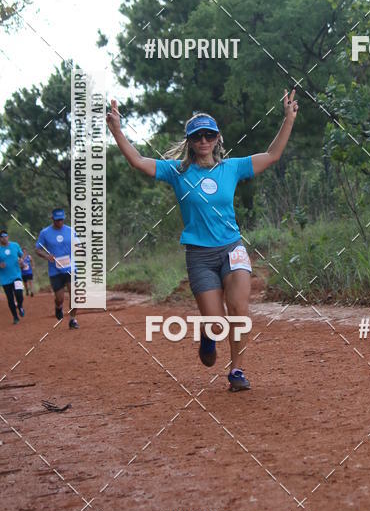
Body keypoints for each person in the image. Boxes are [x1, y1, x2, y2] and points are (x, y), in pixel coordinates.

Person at [106, 93, 299, 391]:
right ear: (190, 141)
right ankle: (209, 334)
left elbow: (272, 155)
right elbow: (138, 161)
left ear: (218, 138)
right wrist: (117, 130)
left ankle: (236, 370)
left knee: (240, 310)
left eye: (209, 135)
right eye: (198, 136)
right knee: (217, 323)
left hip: (232, 247)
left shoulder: (231, 167)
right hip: (200, 256)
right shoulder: (178, 172)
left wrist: (288, 119)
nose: (204, 140)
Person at [35, 208, 80, 329]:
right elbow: (37, 249)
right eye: (57, 220)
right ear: (52, 219)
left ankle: (72, 319)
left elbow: (78, 245)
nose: (59, 222)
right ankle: (58, 307)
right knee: (59, 298)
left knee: (74, 295)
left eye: (61, 220)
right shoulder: (45, 233)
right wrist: (46, 256)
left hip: (71, 268)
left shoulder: (70, 230)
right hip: (55, 271)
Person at [0, 229, 25, 325]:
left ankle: (20, 306)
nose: (4, 238)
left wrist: (22, 261)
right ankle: (15, 317)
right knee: (10, 298)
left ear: (8, 237)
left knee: (19, 294)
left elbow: (22, 255)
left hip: (16, 275)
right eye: (2, 237)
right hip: (5, 279)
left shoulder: (15, 245)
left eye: (5, 236)